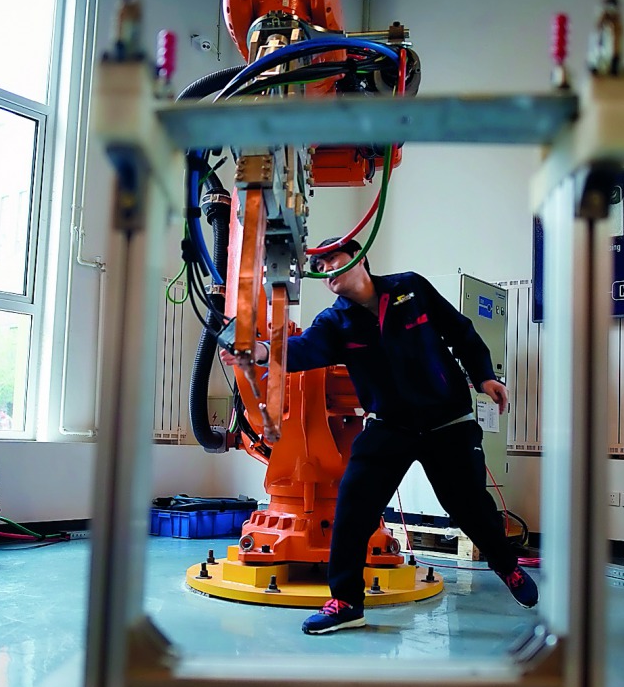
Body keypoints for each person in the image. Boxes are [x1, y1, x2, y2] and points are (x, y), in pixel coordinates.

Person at [221, 237, 538, 634]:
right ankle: (346, 602)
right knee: (353, 507)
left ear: (359, 257)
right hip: (390, 424)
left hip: (447, 420)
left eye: (330, 258)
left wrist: (484, 376)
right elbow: (302, 350)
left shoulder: (411, 288)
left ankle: (507, 567)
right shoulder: (335, 322)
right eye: (316, 266)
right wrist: (261, 352)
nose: (323, 270)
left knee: (469, 506)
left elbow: (460, 330)